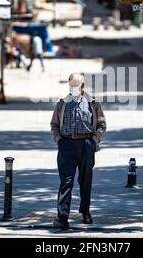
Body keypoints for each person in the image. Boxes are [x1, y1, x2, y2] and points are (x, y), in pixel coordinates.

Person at [50, 73, 107, 230]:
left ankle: (85, 212)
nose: (73, 89)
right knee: (66, 182)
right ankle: (63, 217)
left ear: (83, 86)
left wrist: (93, 141)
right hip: (66, 145)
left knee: (85, 181)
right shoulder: (62, 104)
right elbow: (54, 124)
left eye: (76, 86)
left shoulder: (93, 103)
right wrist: (59, 140)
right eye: (71, 86)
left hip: (86, 145)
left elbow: (102, 125)